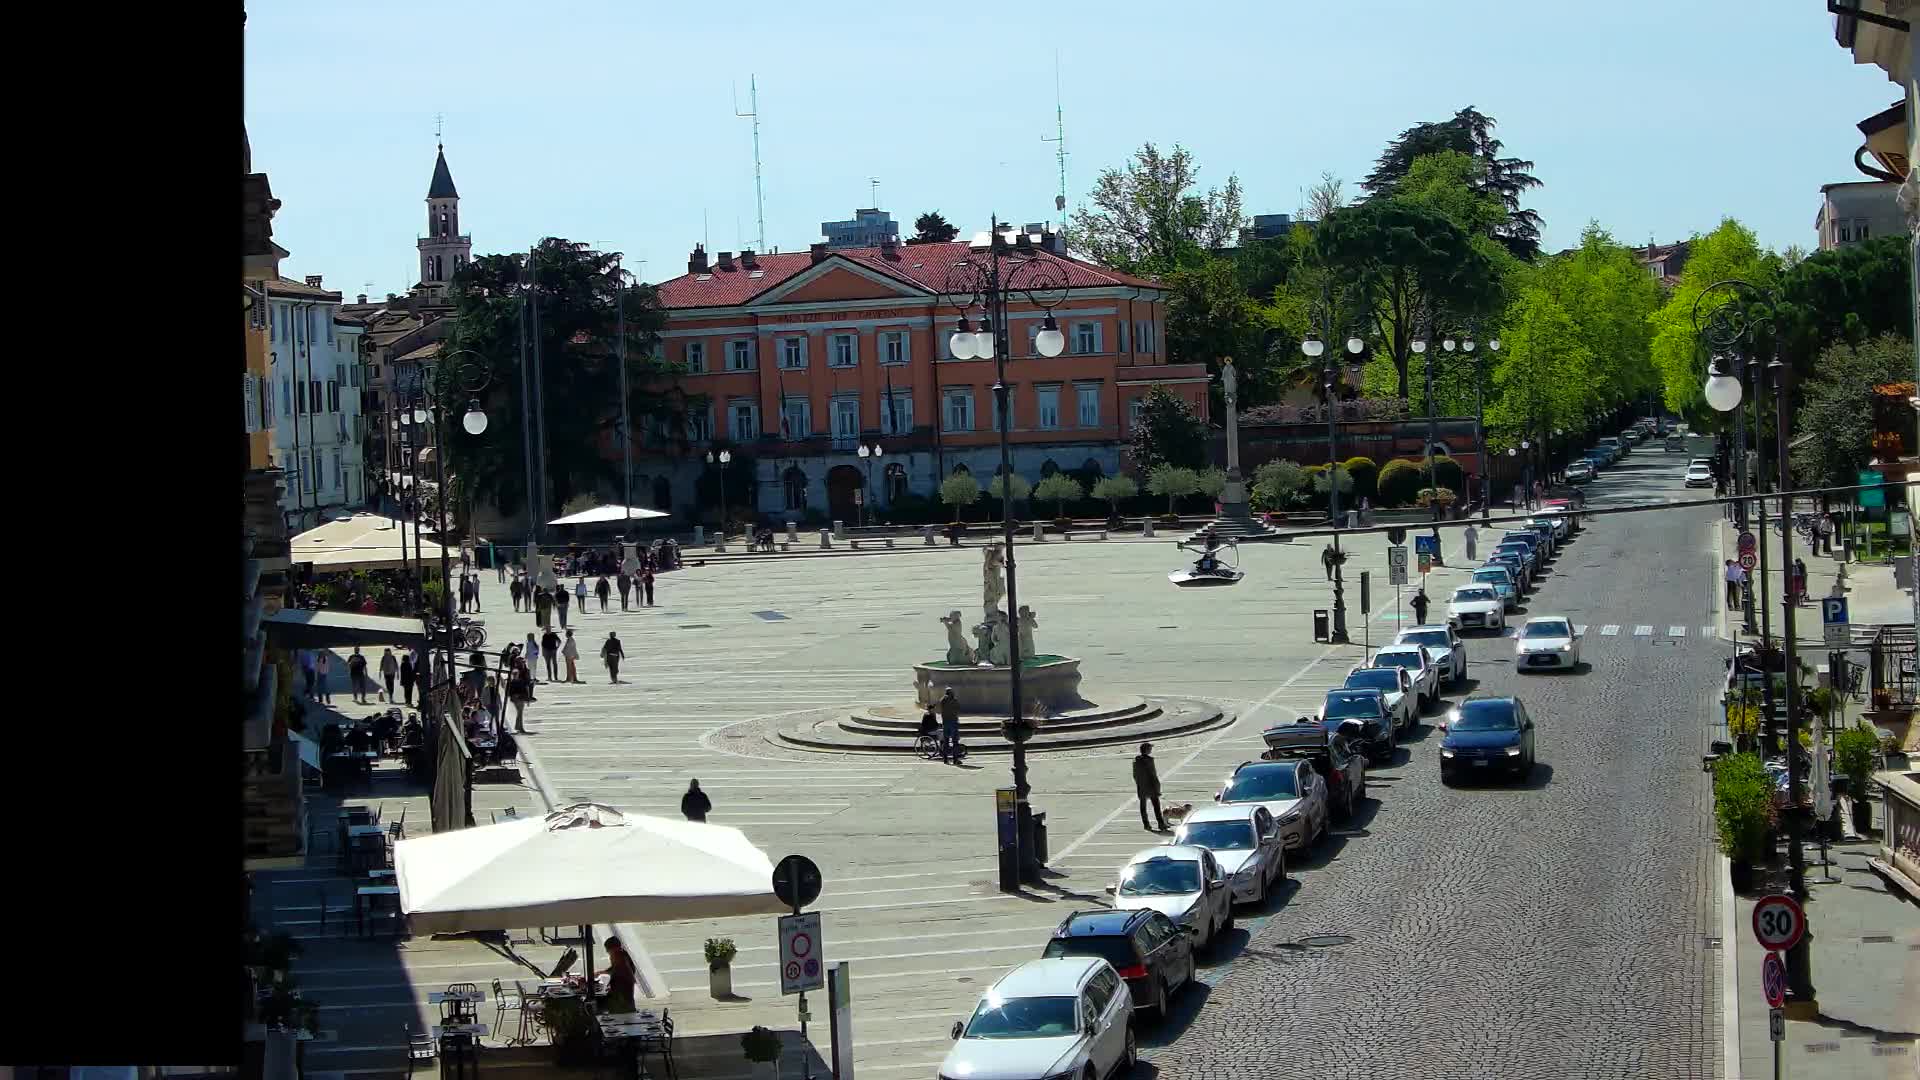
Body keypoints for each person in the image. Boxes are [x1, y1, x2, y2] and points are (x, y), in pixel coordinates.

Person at [1133, 742, 1166, 831]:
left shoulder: (1136, 761)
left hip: (1141, 786)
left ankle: (1146, 825)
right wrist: (1157, 788)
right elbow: (1153, 775)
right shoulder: (1149, 760)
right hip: (1151, 786)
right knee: (1156, 806)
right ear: (1147, 750)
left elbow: (1135, 775)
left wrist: (1139, 784)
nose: (1151, 750)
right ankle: (1161, 824)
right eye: (1150, 748)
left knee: (1143, 807)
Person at [604, 937, 639, 1014]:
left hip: (623, 989)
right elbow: (615, 968)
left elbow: (618, 970)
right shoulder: (621, 954)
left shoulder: (619, 956)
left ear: (615, 948)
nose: (607, 951)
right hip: (624, 987)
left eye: (608, 949)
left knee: (623, 1009)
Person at [506, 662, 533, 734]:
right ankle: (519, 727)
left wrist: (527, 699)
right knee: (520, 712)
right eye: (514, 674)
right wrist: (515, 695)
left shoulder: (520, 681)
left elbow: (525, 689)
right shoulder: (511, 682)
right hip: (516, 699)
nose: (515, 675)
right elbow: (509, 692)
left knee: (519, 713)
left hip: (521, 698)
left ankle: (518, 727)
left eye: (516, 674)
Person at [939, 687, 962, 764]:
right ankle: (955, 759)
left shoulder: (942, 700)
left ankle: (945, 759)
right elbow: (958, 709)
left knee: (946, 742)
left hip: (945, 723)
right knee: (955, 742)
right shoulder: (954, 700)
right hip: (953, 723)